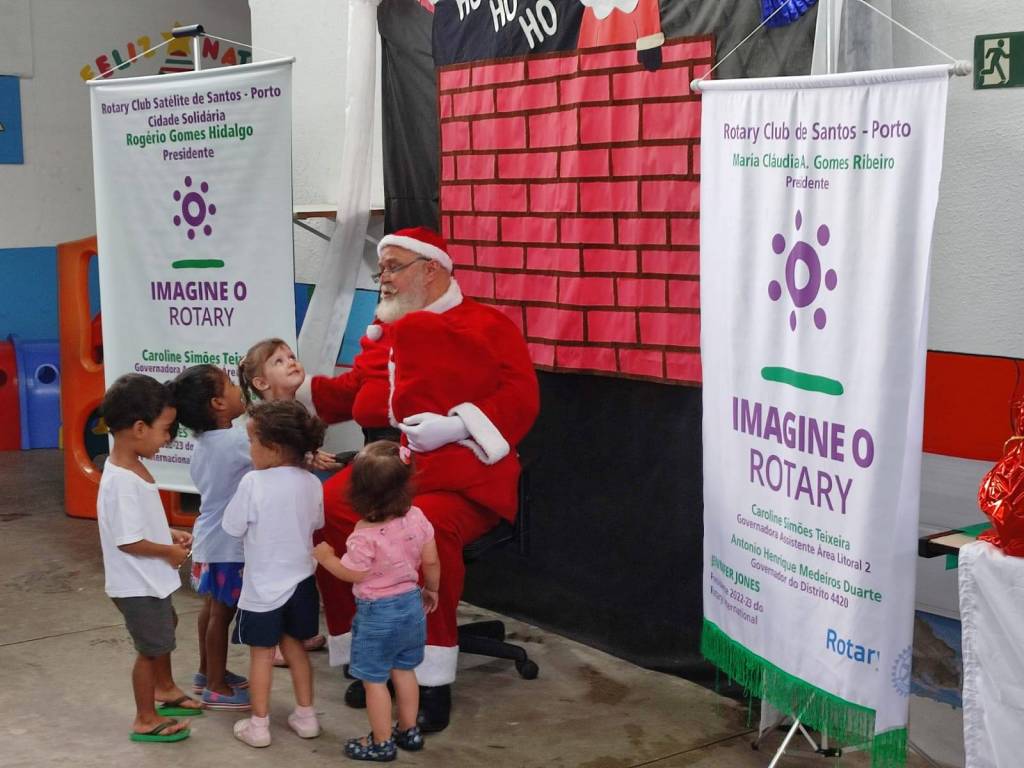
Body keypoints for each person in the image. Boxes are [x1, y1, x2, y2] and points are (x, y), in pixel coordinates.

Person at [299, 226, 539, 731]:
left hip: (466, 475)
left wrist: (460, 424)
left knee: (421, 527)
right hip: (394, 467)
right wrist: (297, 392)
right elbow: (356, 389)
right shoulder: (387, 325)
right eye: (381, 268)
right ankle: (369, 653)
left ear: (431, 270)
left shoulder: (487, 325)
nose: (383, 278)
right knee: (326, 508)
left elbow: (522, 398)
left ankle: (429, 674)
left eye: (393, 267)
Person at [314, 441, 441, 761]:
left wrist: (327, 559)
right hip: (411, 605)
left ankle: (381, 742)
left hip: (377, 614)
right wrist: (432, 589)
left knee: (374, 681)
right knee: (405, 670)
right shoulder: (417, 517)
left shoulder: (363, 535)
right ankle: (409, 730)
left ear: (358, 494)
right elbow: (431, 560)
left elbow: (353, 573)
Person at [96, 373, 202, 743]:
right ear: (139, 428)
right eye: (166, 429)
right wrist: (168, 551)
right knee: (150, 648)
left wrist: (167, 532)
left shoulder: (131, 467)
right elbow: (128, 541)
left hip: (148, 580)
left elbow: (136, 524)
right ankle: (144, 717)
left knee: (165, 627)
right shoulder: (122, 482)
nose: (169, 438)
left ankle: (165, 687)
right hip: (136, 584)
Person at [223, 399, 326, 748]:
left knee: (262, 656)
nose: (249, 449)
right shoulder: (311, 482)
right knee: (296, 649)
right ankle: (307, 717)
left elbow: (232, 527)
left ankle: (259, 725)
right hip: (302, 583)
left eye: (252, 441)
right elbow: (316, 523)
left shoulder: (253, 482)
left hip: (263, 588)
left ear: (275, 448)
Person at [239, 337, 328, 660]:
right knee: (273, 572)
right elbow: (266, 465)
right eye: (279, 361)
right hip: (271, 513)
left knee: (300, 566)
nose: (291, 362)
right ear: (261, 383)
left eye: (291, 356)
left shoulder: (300, 410)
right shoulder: (261, 422)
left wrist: (310, 457)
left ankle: (297, 632)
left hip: (294, 508)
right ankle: (275, 641)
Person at [172, 364, 252, 710]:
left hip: (209, 539)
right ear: (218, 404)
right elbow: (273, 454)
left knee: (211, 608)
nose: (238, 389)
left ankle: (207, 672)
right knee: (222, 613)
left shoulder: (207, 441)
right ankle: (217, 687)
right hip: (228, 546)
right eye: (231, 384)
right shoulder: (235, 442)